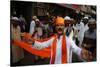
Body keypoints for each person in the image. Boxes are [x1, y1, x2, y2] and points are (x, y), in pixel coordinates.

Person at [27, 16, 92, 64]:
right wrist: (34, 42)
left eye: (61, 25)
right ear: (55, 28)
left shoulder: (68, 40)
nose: (60, 27)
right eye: (57, 25)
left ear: (63, 27)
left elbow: (75, 48)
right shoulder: (52, 39)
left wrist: (81, 51)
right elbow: (43, 45)